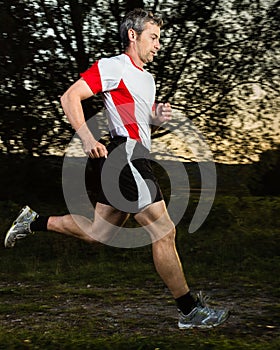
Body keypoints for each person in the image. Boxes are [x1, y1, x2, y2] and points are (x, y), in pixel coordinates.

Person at [4, 8, 229, 329]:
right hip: (126, 158)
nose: (158, 45)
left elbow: (134, 115)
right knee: (165, 231)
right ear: (132, 35)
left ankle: (34, 221)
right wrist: (85, 137)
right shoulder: (113, 66)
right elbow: (70, 97)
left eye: (160, 39)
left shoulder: (147, 78)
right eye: (153, 37)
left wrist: (154, 118)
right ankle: (189, 311)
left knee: (99, 233)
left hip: (132, 158)